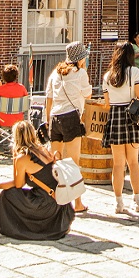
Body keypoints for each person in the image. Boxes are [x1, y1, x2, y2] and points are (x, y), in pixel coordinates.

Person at [0, 119, 74, 240]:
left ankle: (17, 228)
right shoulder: (43, 149)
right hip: (57, 201)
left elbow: (18, 184)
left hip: (45, 204)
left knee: (7, 194)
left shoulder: (23, 157)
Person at [101, 39, 139, 214]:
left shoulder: (108, 76)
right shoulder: (134, 72)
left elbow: (107, 103)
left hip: (115, 117)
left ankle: (118, 202)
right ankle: (137, 200)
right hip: (131, 115)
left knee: (118, 164)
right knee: (133, 162)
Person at [44, 44, 91, 213]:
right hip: (71, 117)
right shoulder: (80, 73)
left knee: (55, 162)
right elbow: (88, 94)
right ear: (80, 58)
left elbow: (49, 97)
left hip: (55, 118)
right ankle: (77, 203)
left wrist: (48, 119)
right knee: (73, 163)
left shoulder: (55, 73)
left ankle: (53, 199)